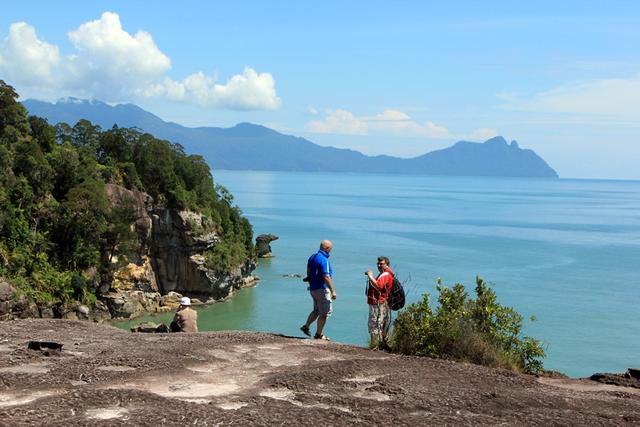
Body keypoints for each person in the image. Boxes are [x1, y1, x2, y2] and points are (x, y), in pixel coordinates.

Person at [300, 240, 336, 340]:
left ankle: (306, 326)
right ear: (327, 248)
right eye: (331, 249)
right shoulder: (324, 260)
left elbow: (308, 272)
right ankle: (319, 334)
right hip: (322, 289)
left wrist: (311, 284)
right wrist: (333, 290)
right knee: (324, 313)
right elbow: (326, 276)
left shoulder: (312, 257)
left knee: (316, 310)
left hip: (313, 289)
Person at [365, 256, 394, 348]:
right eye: (378, 264)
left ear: (387, 265)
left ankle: (374, 345)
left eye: (381, 264)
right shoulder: (386, 274)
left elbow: (378, 286)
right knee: (381, 324)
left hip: (378, 303)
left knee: (374, 324)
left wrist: (370, 276)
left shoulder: (385, 275)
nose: (379, 265)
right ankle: (382, 344)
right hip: (382, 302)